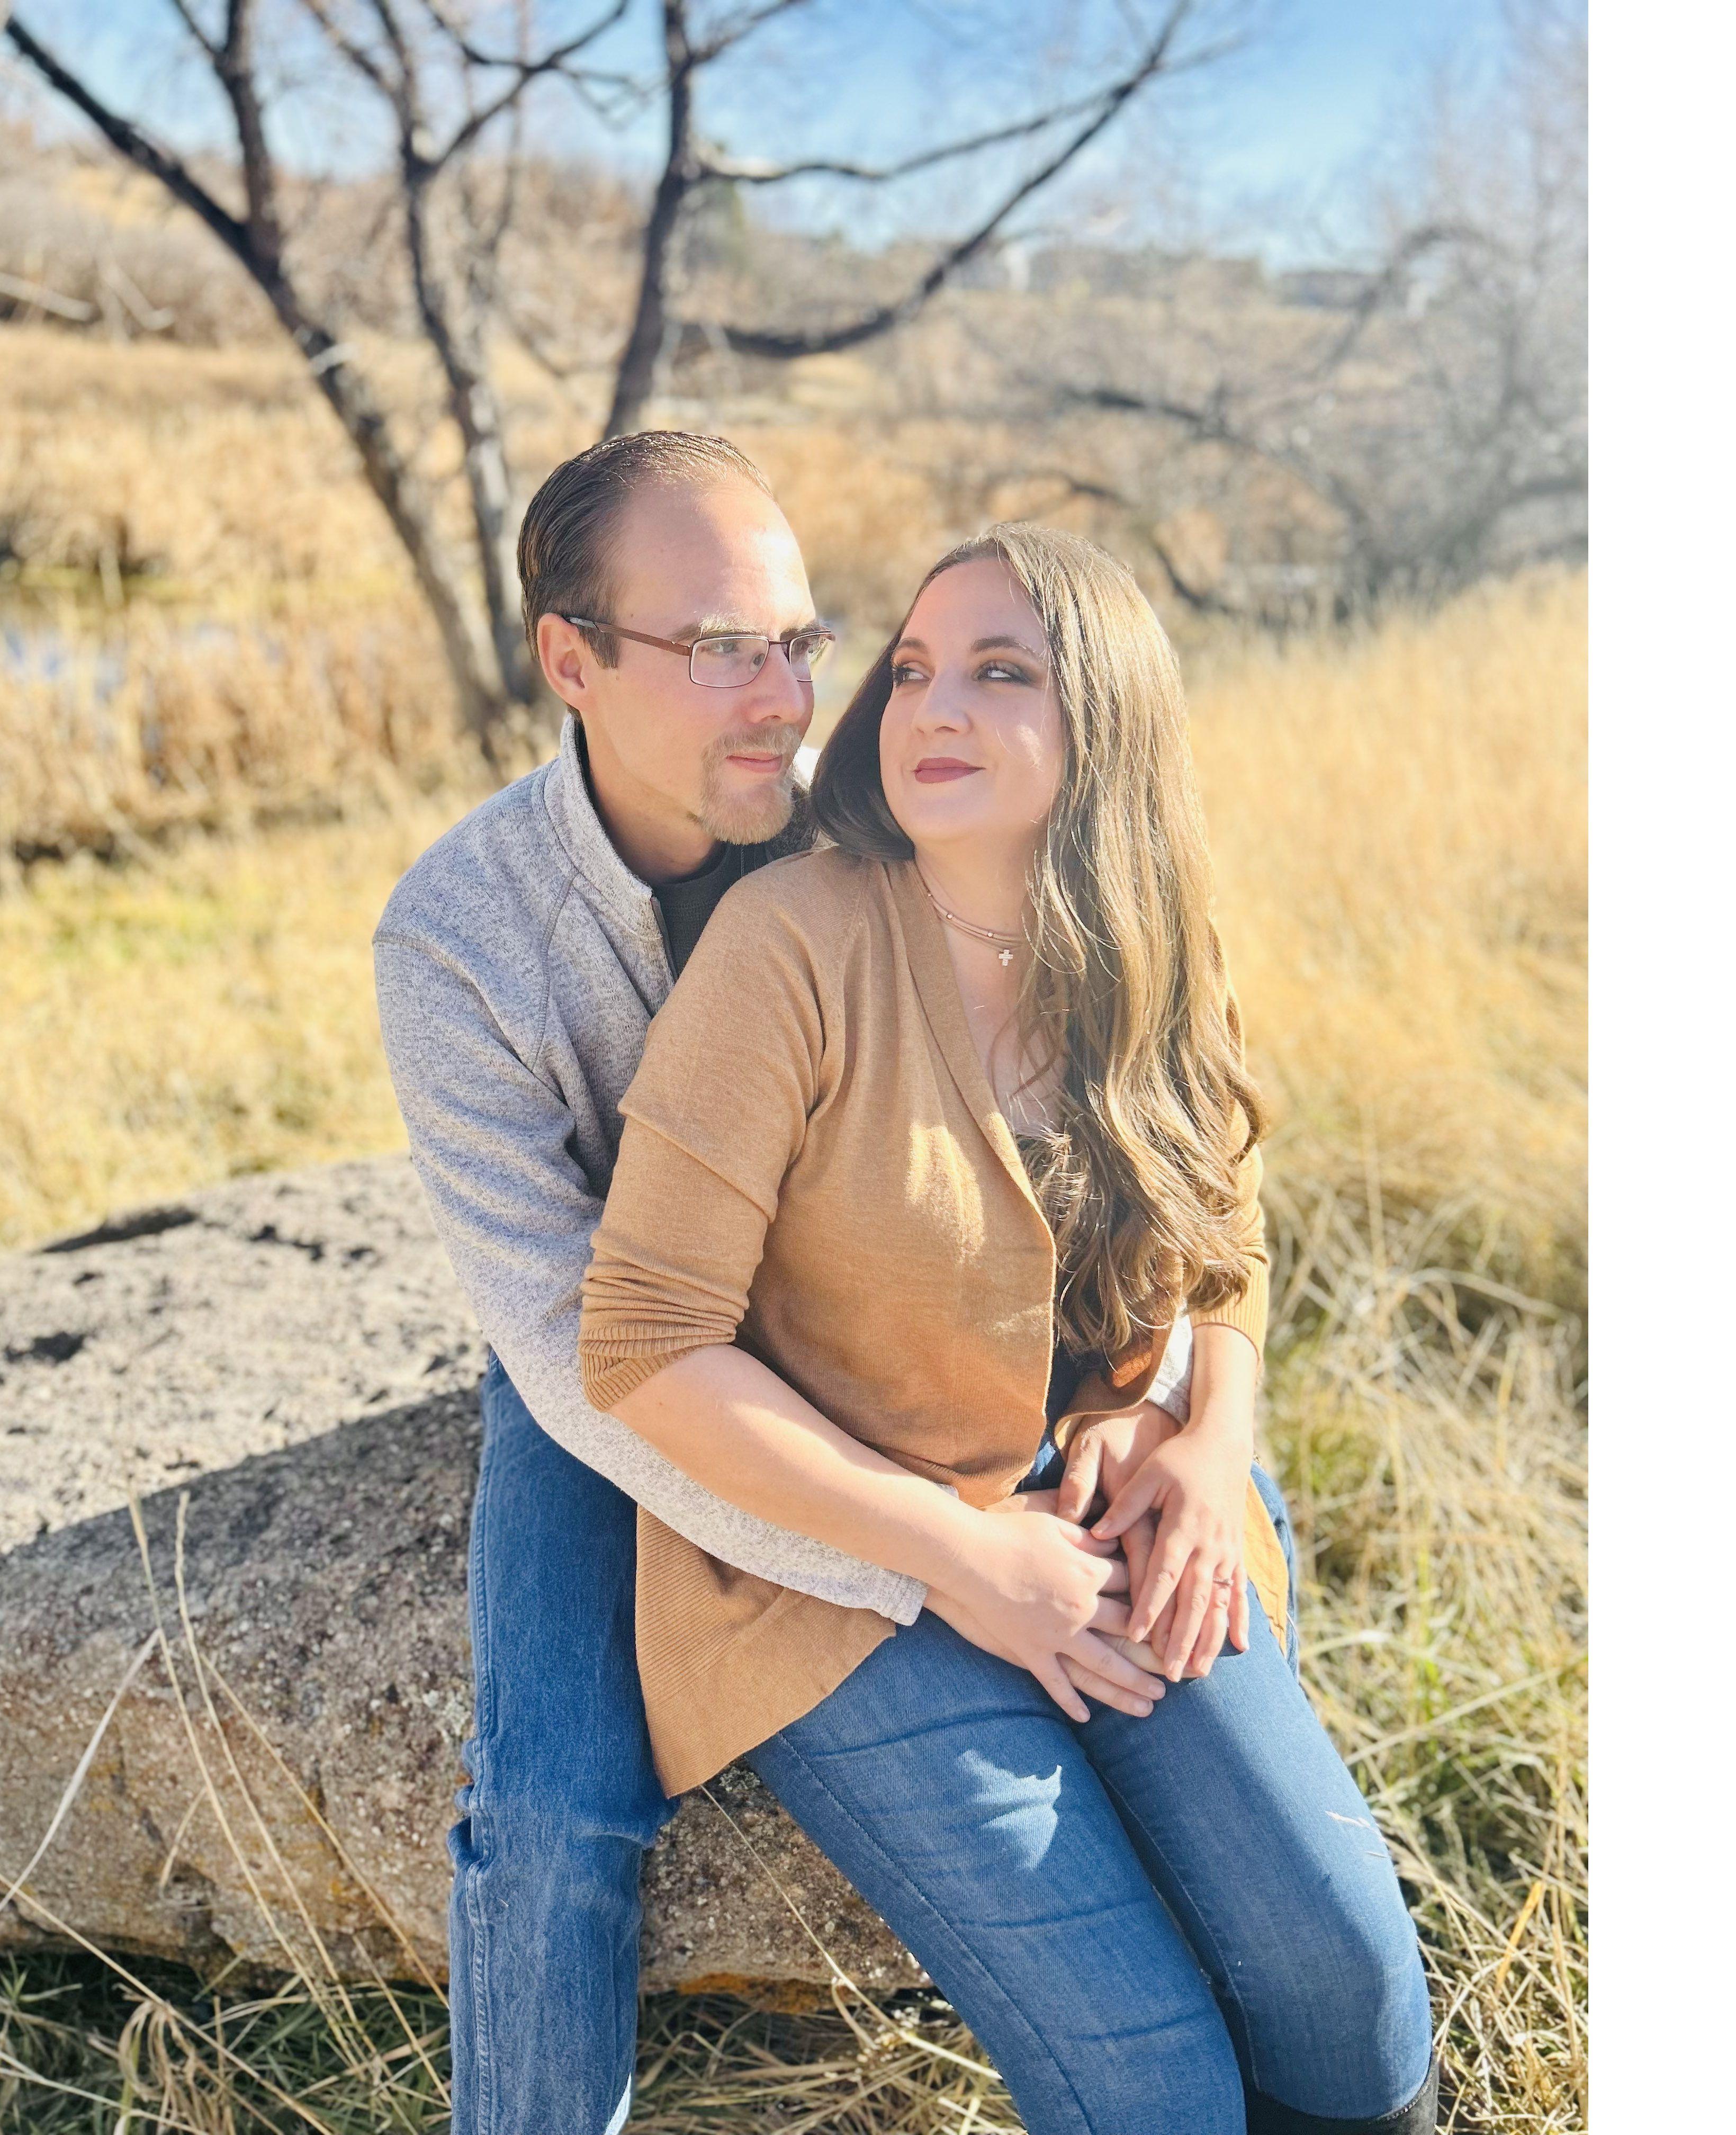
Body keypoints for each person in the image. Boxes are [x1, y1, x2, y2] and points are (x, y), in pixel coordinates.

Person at [374, 437, 1197, 2135]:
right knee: (555, 1811)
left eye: (798, 641)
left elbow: (1117, 1103)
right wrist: (925, 1559)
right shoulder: (457, 935)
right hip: (608, 1367)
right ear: (570, 660)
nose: (783, 698)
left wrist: (1176, 1393)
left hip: (872, 1329)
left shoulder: (878, 820)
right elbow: (575, 1344)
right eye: (716, 649)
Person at [579, 523, 1440, 2134]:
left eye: (999, 671)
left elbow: (1227, 1220)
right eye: (912, 669)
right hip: (834, 1570)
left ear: (1104, 717)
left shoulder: (1154, 938)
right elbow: (642, 1337)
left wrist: (1209, 1438)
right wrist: (962, 1560)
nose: (932, 706)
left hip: (1096, 1510)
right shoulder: (792, 943)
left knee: (1348, 1981)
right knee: (1155, 2081)